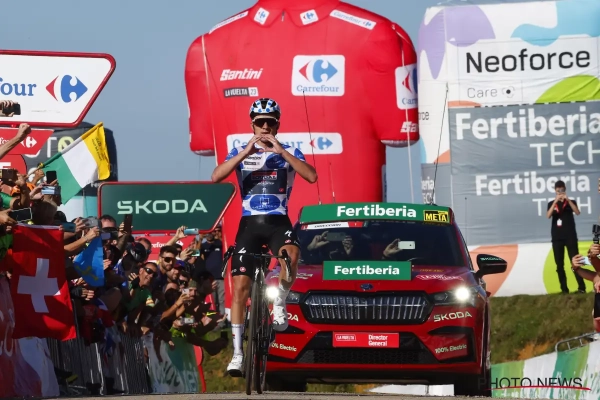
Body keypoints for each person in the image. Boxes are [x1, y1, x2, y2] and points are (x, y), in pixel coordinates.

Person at [211, 98, 317, 376]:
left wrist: (281, 151)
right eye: (260, 122)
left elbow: (311, 176)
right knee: (240, 288)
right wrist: (245, 152)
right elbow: (216, 176)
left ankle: (279, 300)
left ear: (278, 125)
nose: (265, 127)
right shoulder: (240, 151)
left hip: (278, 221)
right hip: (249, 224)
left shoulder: (289, 151)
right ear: (253, 125)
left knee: (291, 254)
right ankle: (237, 354)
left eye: (271, 122)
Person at [546, 180, 586, 293]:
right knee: (559, 265)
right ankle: (564, 289)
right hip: (557, 238)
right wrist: (555, 201)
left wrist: (567, 200)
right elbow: (548, 215)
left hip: (570, 237)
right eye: (558, 190)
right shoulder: (551, 203)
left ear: (565, 189)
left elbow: (577, 212)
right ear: (555, 191)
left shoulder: (571, 202)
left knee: (576, 262)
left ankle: (581, 288)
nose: (560, 192)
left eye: (562, 189)